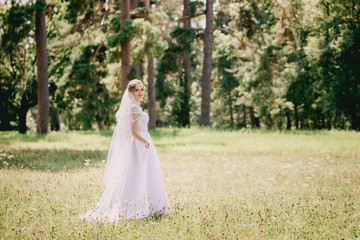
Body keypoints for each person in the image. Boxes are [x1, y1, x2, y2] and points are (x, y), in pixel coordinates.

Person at [78, 79, 169, 222]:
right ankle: (133, 206)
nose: (140, 93)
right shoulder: (133, 107)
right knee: (136, 174)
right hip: (139, 145)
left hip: (143, 144)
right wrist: (145, 141)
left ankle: (149, 205)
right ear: (131, 92)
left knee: (145, 173)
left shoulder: (136, 106)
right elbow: (133, 132)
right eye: (137, 90)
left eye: (142, 90)